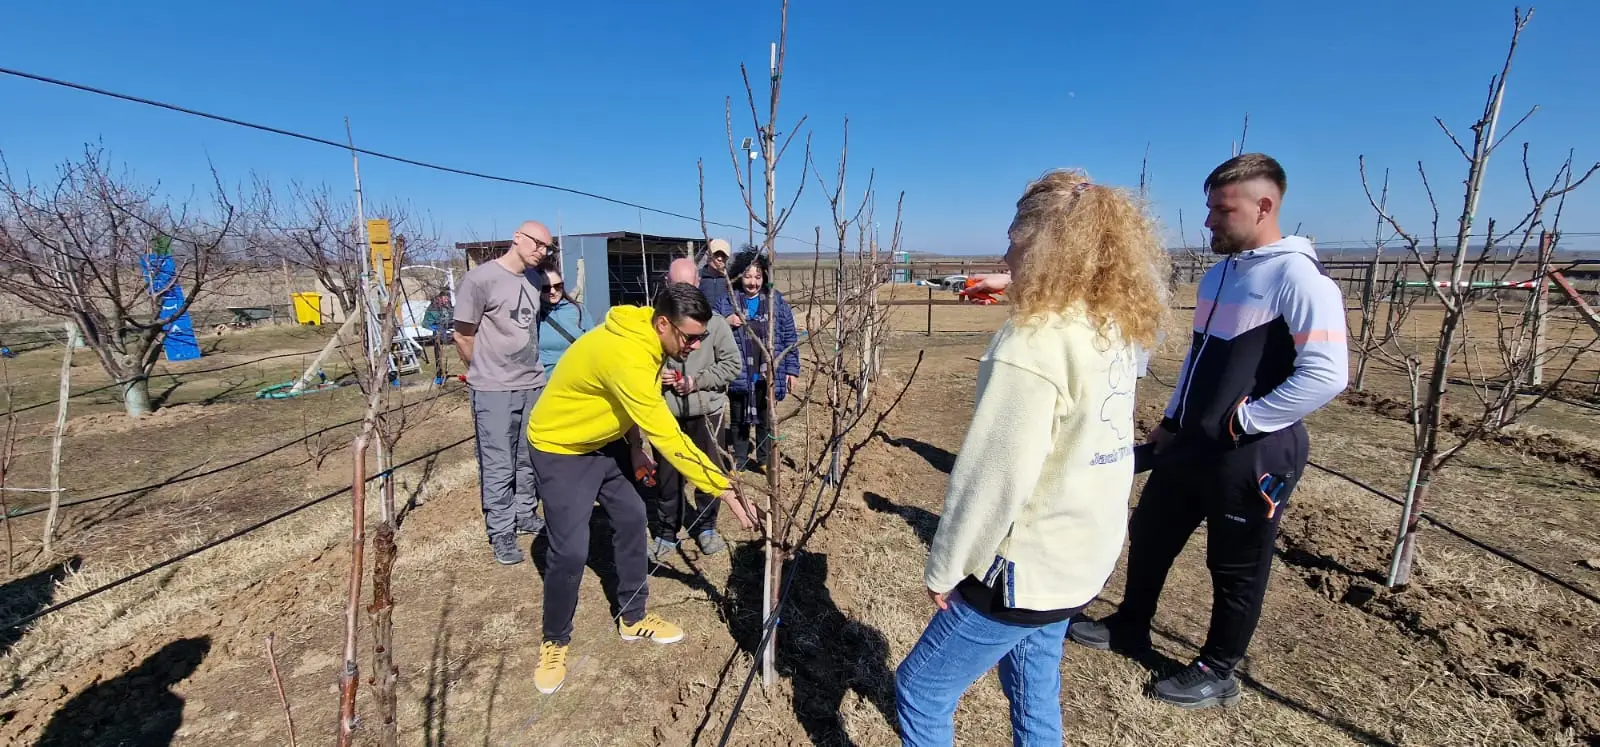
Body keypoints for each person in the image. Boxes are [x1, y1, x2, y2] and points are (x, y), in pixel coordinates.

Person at [894, 170, 1168, 744]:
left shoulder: (1034, 341)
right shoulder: (1111, 326)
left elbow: (993, 476)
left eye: (1015, 240)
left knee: (921, 690)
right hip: (1079, 561)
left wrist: (947, 566)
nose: (1006, 254)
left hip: (1023, 568)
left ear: (1046, 246)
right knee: (1033, 691)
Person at [1067, 153, 1349, 708]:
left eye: (1222, 210)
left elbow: (1327, 374)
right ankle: (1130, 624)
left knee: (1235, 562)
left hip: (1254, 453)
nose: (1208, 221)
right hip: (1191, 442)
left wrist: (1247, 420)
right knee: (1151, 532)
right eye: (1210, 208)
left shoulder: (1298, 277)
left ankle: (1218, 668)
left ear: (1264, 206)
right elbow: (1197, 362)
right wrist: (1172, 422)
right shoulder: (1221, 274)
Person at [525, 282, 763, 695]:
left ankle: (633, 618)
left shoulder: (648, 336)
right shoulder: (627, 355)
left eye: (701, 337)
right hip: (560, 447)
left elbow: (629, 402)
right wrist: (725, 490)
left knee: (634, 519)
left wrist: (634, 449)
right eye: (690, 338)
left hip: (604, 441)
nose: (695, 346)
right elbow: (668, 436)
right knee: (571, 551)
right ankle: (554, 641)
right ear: (663, 324)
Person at [453, 221, 555, 566]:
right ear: (517, 237)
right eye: (537, 243)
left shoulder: (535, 279)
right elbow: (463, 335)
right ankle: (501, 530)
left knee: (528, 457)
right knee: (498, 463)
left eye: (547, 247)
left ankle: (525, 513)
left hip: (532, 384)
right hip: (494, 389)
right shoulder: (479, 280)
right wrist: (484, 370)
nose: (541, 251)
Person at [645, 258, 744, 562]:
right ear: (667, 284)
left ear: (698, 284)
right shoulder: (654, 324)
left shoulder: (715, 324)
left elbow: (732, 364)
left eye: (688, 286)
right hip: (667, 415)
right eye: (677, 286)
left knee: (708, 470)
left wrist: (696, 381)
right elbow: (638, 365)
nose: (683, 292)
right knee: (667, 476)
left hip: (706, 412)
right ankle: (666, 531)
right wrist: (657, 377)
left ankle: (706, 527)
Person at [716, 250, 799, 472]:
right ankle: (740, 460)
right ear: (739, 276)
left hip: (767, 372)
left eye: (758, 277)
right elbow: (710, 328)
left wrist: (792, 370)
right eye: (748, 276)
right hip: (738, 371)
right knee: (738, 420)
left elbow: (789, 336)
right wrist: (725, 321)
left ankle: (764, 459)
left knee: (765, 418)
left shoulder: (775, 301)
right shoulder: (728, 301)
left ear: (764, 277)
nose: (753, 282)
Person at [537, 263, 589, 373]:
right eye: (546, 288)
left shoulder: (578, 310)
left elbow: (593, 342)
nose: (553, 292)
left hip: (577, 375)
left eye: (557, 286)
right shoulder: (532, 315)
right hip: (547, 378)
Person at [699, 239, 733, 311]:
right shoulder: (698, 277)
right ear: (708, 255)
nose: (720, 259)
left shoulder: (731, 280)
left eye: (723, 255)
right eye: (716, 254)